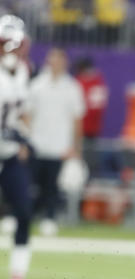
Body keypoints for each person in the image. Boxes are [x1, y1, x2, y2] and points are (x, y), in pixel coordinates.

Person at [0, 14, 39, 279]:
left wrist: (25, 136)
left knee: (24, 213)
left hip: (10, 153)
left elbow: (21, 112)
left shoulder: (23, 72)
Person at [27, 47, 85, 236]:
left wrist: (76, 147)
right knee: (27, 183)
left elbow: (77, 120)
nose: (55, 63)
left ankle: (49, 218)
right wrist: (25, 141)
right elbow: (27, 115)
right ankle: (21, 216)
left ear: (65, 62)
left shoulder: (72, 87)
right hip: (36, 143)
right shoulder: (36, 85)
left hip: (59, 146)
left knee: (52, 186)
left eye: (58, 59)